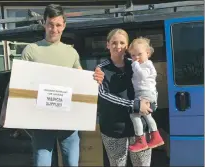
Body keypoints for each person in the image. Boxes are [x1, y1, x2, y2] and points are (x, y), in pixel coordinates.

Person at [20, 4, 104, 167]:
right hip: (41, 119)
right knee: (42, 163)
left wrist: (95, 78)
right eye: (50, 24)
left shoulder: (71, 52)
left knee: (71, 163)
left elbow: (81, 81)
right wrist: (7, 110)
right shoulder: (31, 50)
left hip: (68, 119)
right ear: (44, 23)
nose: (54, 29)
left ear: (64, 26)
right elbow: (21, 82)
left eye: (58, 25)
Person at [97, 28, 153, 166]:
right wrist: (134, 104)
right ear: (108, 44)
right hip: (114, 128)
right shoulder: (101, 69)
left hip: (139, 127)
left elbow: (148, 83)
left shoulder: (135, 64)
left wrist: (152, 101)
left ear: (127, 46)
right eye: (114, 43)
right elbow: (104, 95)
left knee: (142, 164)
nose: (118, 46)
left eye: (122, 42)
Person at [127, 37, 164, 153]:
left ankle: (140, 140)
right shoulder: (144, 64)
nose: (136, 58)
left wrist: (135, 65)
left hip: (145, 93)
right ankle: (155, 136)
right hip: (145, 93)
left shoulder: (147, 65)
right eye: (133, 55)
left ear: (148, 53)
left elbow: (142, 76)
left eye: (139, 54)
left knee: (134, 115)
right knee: (147, 115)